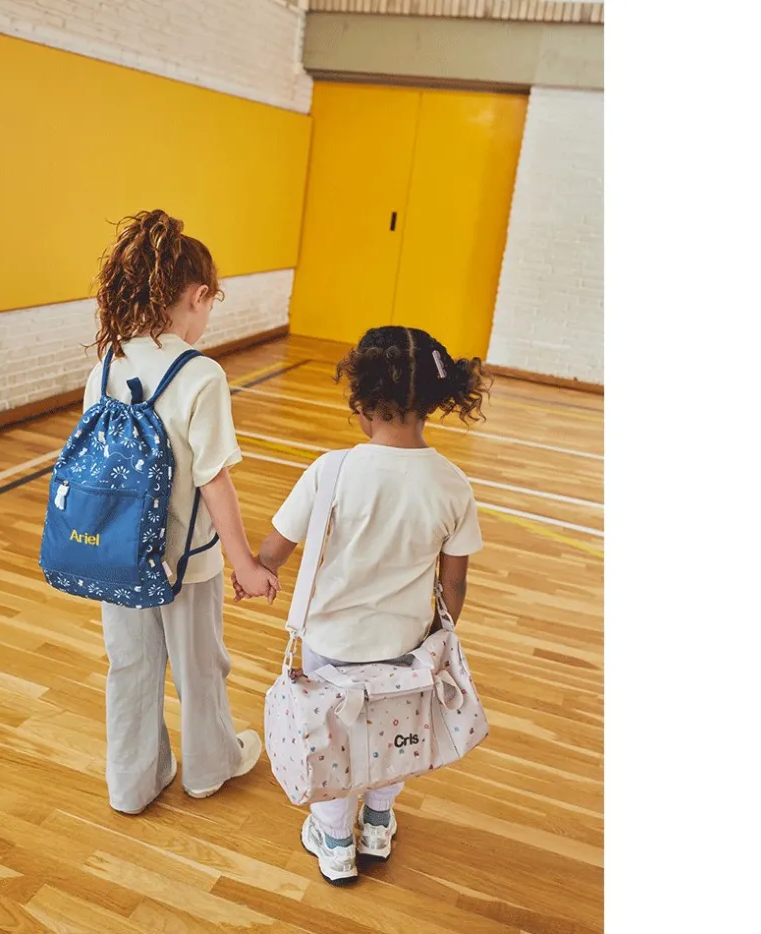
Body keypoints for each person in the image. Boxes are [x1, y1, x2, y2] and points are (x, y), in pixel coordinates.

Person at [238, 325, 489, 884]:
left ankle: (334, 842)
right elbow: (454, 585)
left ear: (362, 402)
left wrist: (256, 572)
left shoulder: (332, 470)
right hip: (405, 645)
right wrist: (435, 635)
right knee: (394, 733)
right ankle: (377, 823)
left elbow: (274, 550)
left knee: (331, 742)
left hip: (332, 643)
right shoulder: (453, 484)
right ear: (432, 401)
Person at [85, 209, 278, 815]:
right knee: (200, 667)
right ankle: (207, 769)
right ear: (197, 296)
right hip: (187, 561)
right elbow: (213, 479)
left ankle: (132, 783)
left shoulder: (107, 365)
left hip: (118, 554)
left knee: (130, 667)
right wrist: (245, 563)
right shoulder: (201, 375)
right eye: (211, 303)